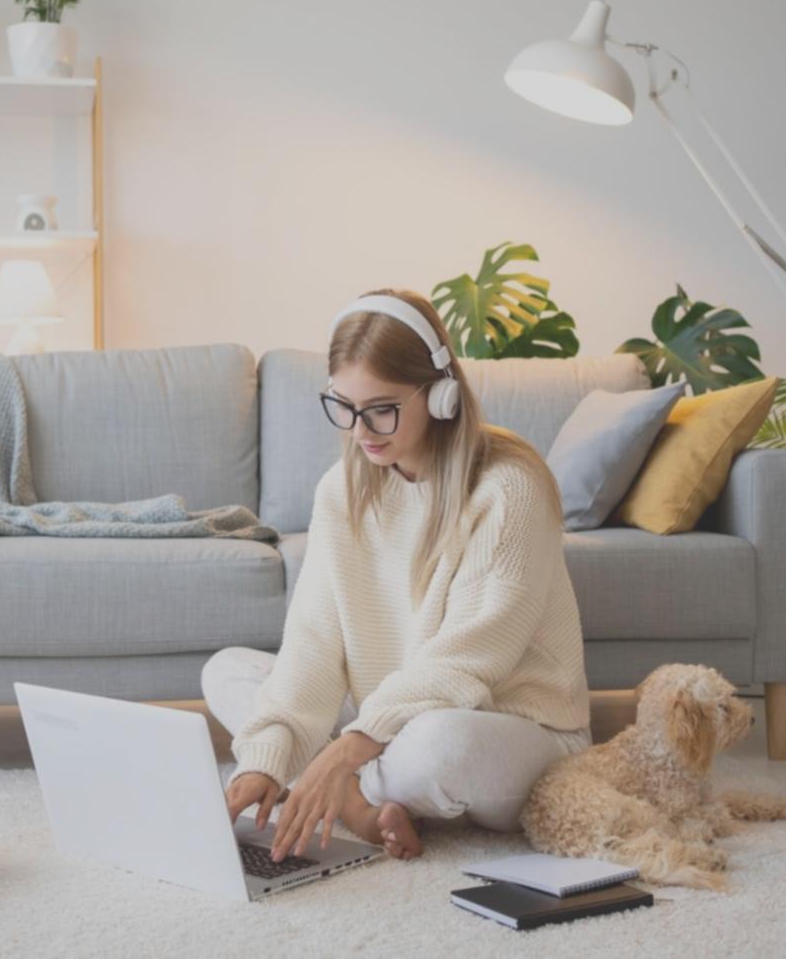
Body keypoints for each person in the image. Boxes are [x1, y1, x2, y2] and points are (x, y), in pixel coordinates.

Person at [201, 288, 592, 863]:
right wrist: (260, 762)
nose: (361, 431)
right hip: (391, 716)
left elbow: (465, 661)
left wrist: (341, 753)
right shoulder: (342, 490)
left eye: (382, 408)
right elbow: (313, 641)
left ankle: (347, 790)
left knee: (440, 745)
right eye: (344, 406)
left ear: (441, 397)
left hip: (506, 727)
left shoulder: (509, 490)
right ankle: (360, 799)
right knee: (228, 670)